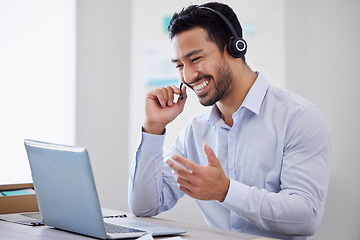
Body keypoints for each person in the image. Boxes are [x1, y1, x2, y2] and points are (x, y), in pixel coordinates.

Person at [128, 2, 331, 240]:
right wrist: (154, 127)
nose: (188, 76)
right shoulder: (196, 131)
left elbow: (306, 217)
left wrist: (226, 191)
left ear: (235, 48)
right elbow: (144, 207)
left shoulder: (299, 118)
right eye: (180, 65)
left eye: (196, 59)